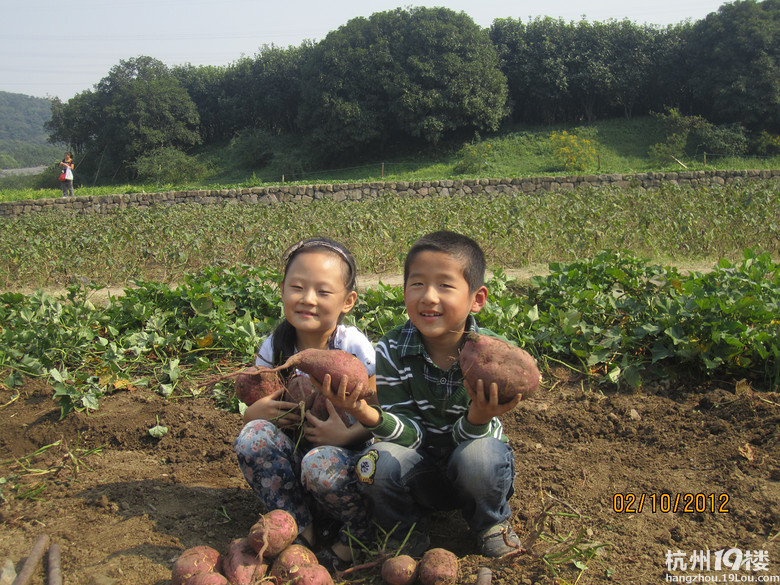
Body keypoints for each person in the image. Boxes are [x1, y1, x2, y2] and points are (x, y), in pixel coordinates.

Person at [320, 230, 527, 558]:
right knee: (376, 461)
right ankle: (403, 532)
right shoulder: (391, 349)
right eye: (417, 284)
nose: (429, 297)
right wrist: (362, 411)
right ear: (403, 291)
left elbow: (475, 439)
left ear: (477, 298)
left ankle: (490, 523)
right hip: (417, 468)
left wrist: (480, 416)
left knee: (481, 456)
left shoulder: (494, 354)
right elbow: (409, 435)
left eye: (445, 285)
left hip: (474, 467)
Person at [233, 237, 376, 573]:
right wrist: (254, 414)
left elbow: (378, 412)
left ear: (348, 301)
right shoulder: (274, 345)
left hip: (342, 465)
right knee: (252, 436)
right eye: (297, 287)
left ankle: (358, 534)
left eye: (323, 292)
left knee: (317, 462)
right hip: (292, 467)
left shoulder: (352, 344)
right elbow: (257, 404)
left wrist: (346, 435)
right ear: (282, 289)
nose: (308, 299)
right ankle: (300, 529)